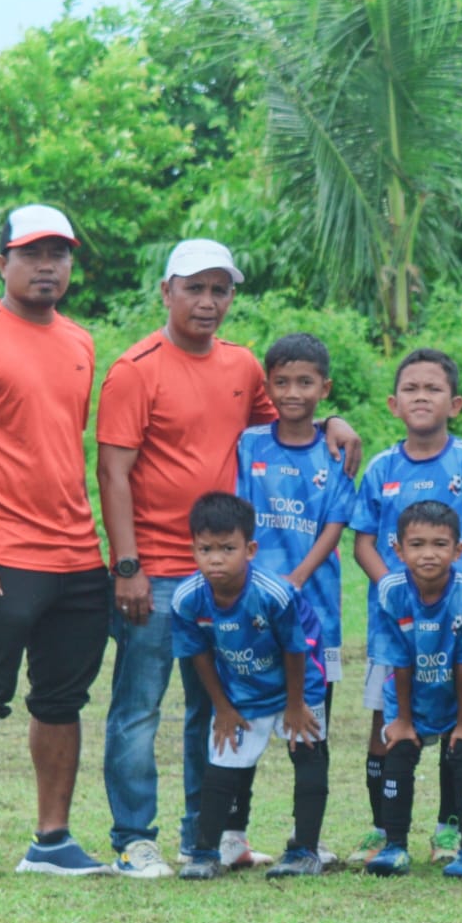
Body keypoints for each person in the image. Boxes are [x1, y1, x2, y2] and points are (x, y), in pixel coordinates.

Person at [98, 238, 360, 878]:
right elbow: (112, 471)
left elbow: (291, 422)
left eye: (220, 289)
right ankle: (133, 839)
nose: (208, 301)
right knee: (138, 708)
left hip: (229, 579)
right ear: (167, 292)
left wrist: (336, 422)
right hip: (158, 572)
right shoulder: (135, 369)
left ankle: (205, 838)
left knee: (213, 708)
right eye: (194, 288)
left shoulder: (243, 365)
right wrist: (128, 566)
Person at [0, 204, 114, 885]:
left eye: (58, 253)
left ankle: (52, 839)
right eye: (32, 253)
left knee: (62, 700)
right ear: (1, 262)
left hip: (77, 554)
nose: (47, 266)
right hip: (2, 555)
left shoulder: (79, 342)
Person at [346, 348, 462, 867]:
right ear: (393, 403)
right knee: (386, 720)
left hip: (457, 623)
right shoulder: (382, 467)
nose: (421, 397)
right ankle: (383, 829)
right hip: (397, 624)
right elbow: (363, 541)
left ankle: (449, 830)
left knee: (457, 719)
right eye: (411, 389)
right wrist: (395, 588)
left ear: (455, 403)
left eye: (433, 389)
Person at [235, 332, 356, 865]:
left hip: (315, 617)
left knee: (308, 729)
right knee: (245, 727)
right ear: (267, 386)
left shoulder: (337, 451)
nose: (292, 392)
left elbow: (335, 523)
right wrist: (256, 586)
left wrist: (297, 578)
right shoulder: (249, 444)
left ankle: (306, 844)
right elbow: (239, 517)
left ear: (324, 388)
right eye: (281, 382)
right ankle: (231, 836)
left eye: (305, 382)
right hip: (252, 615)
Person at [172, 493, 329, 881]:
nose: (216, 559)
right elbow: (197, 655)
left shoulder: (273, 594)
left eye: (228, 549)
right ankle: (205, 853)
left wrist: (296, 705)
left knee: (307, 751)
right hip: (242, 688)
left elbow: (296, 649)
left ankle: (305, 851)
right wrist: (222, 708)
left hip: (299, 682)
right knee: (224, 761)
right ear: (193, 550)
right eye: (206, 549)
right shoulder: (187, 599)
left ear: (250, 550)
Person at [370, 501, 462, 879]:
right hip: (409, 693)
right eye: (417, 544)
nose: (428, 554)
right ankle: (394, 846)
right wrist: (403, 720)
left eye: (440, 544)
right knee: (399, 751)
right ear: (398, 550)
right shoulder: (391, 590)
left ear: (459, 550)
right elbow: (397, 658)